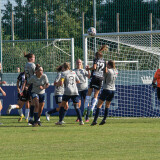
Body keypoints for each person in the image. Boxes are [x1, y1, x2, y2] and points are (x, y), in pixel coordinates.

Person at [83, 45, 108, 117]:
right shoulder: (104, 61)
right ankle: (92, 108)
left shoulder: (96, 60)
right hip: (100, 79)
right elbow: (106, 71)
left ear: (96, 56)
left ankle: (85, 108)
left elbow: (94, 67)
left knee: (89, 93)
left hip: (94, 77)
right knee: (96, 95)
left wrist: (88, 69)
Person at [91, 60, 118, 125]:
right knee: (107, 105)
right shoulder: (116, 71)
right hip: (113, 90)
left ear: (108, 65)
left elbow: (104, 71)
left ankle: (95, 120)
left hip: (106, 89)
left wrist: (104, 64)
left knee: (99, 105)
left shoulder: (108, 70)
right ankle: (104, 119)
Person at [23, 52, 36, 124]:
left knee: (31, 101)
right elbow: (35, 74)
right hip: (33, 84)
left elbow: (25, 74)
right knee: (34, 102)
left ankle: (31, 118)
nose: (34, 59)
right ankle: (32, 118)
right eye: (33, 57)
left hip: (29, 83)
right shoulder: (32, 65)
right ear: (30, 58)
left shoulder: (26, 65)